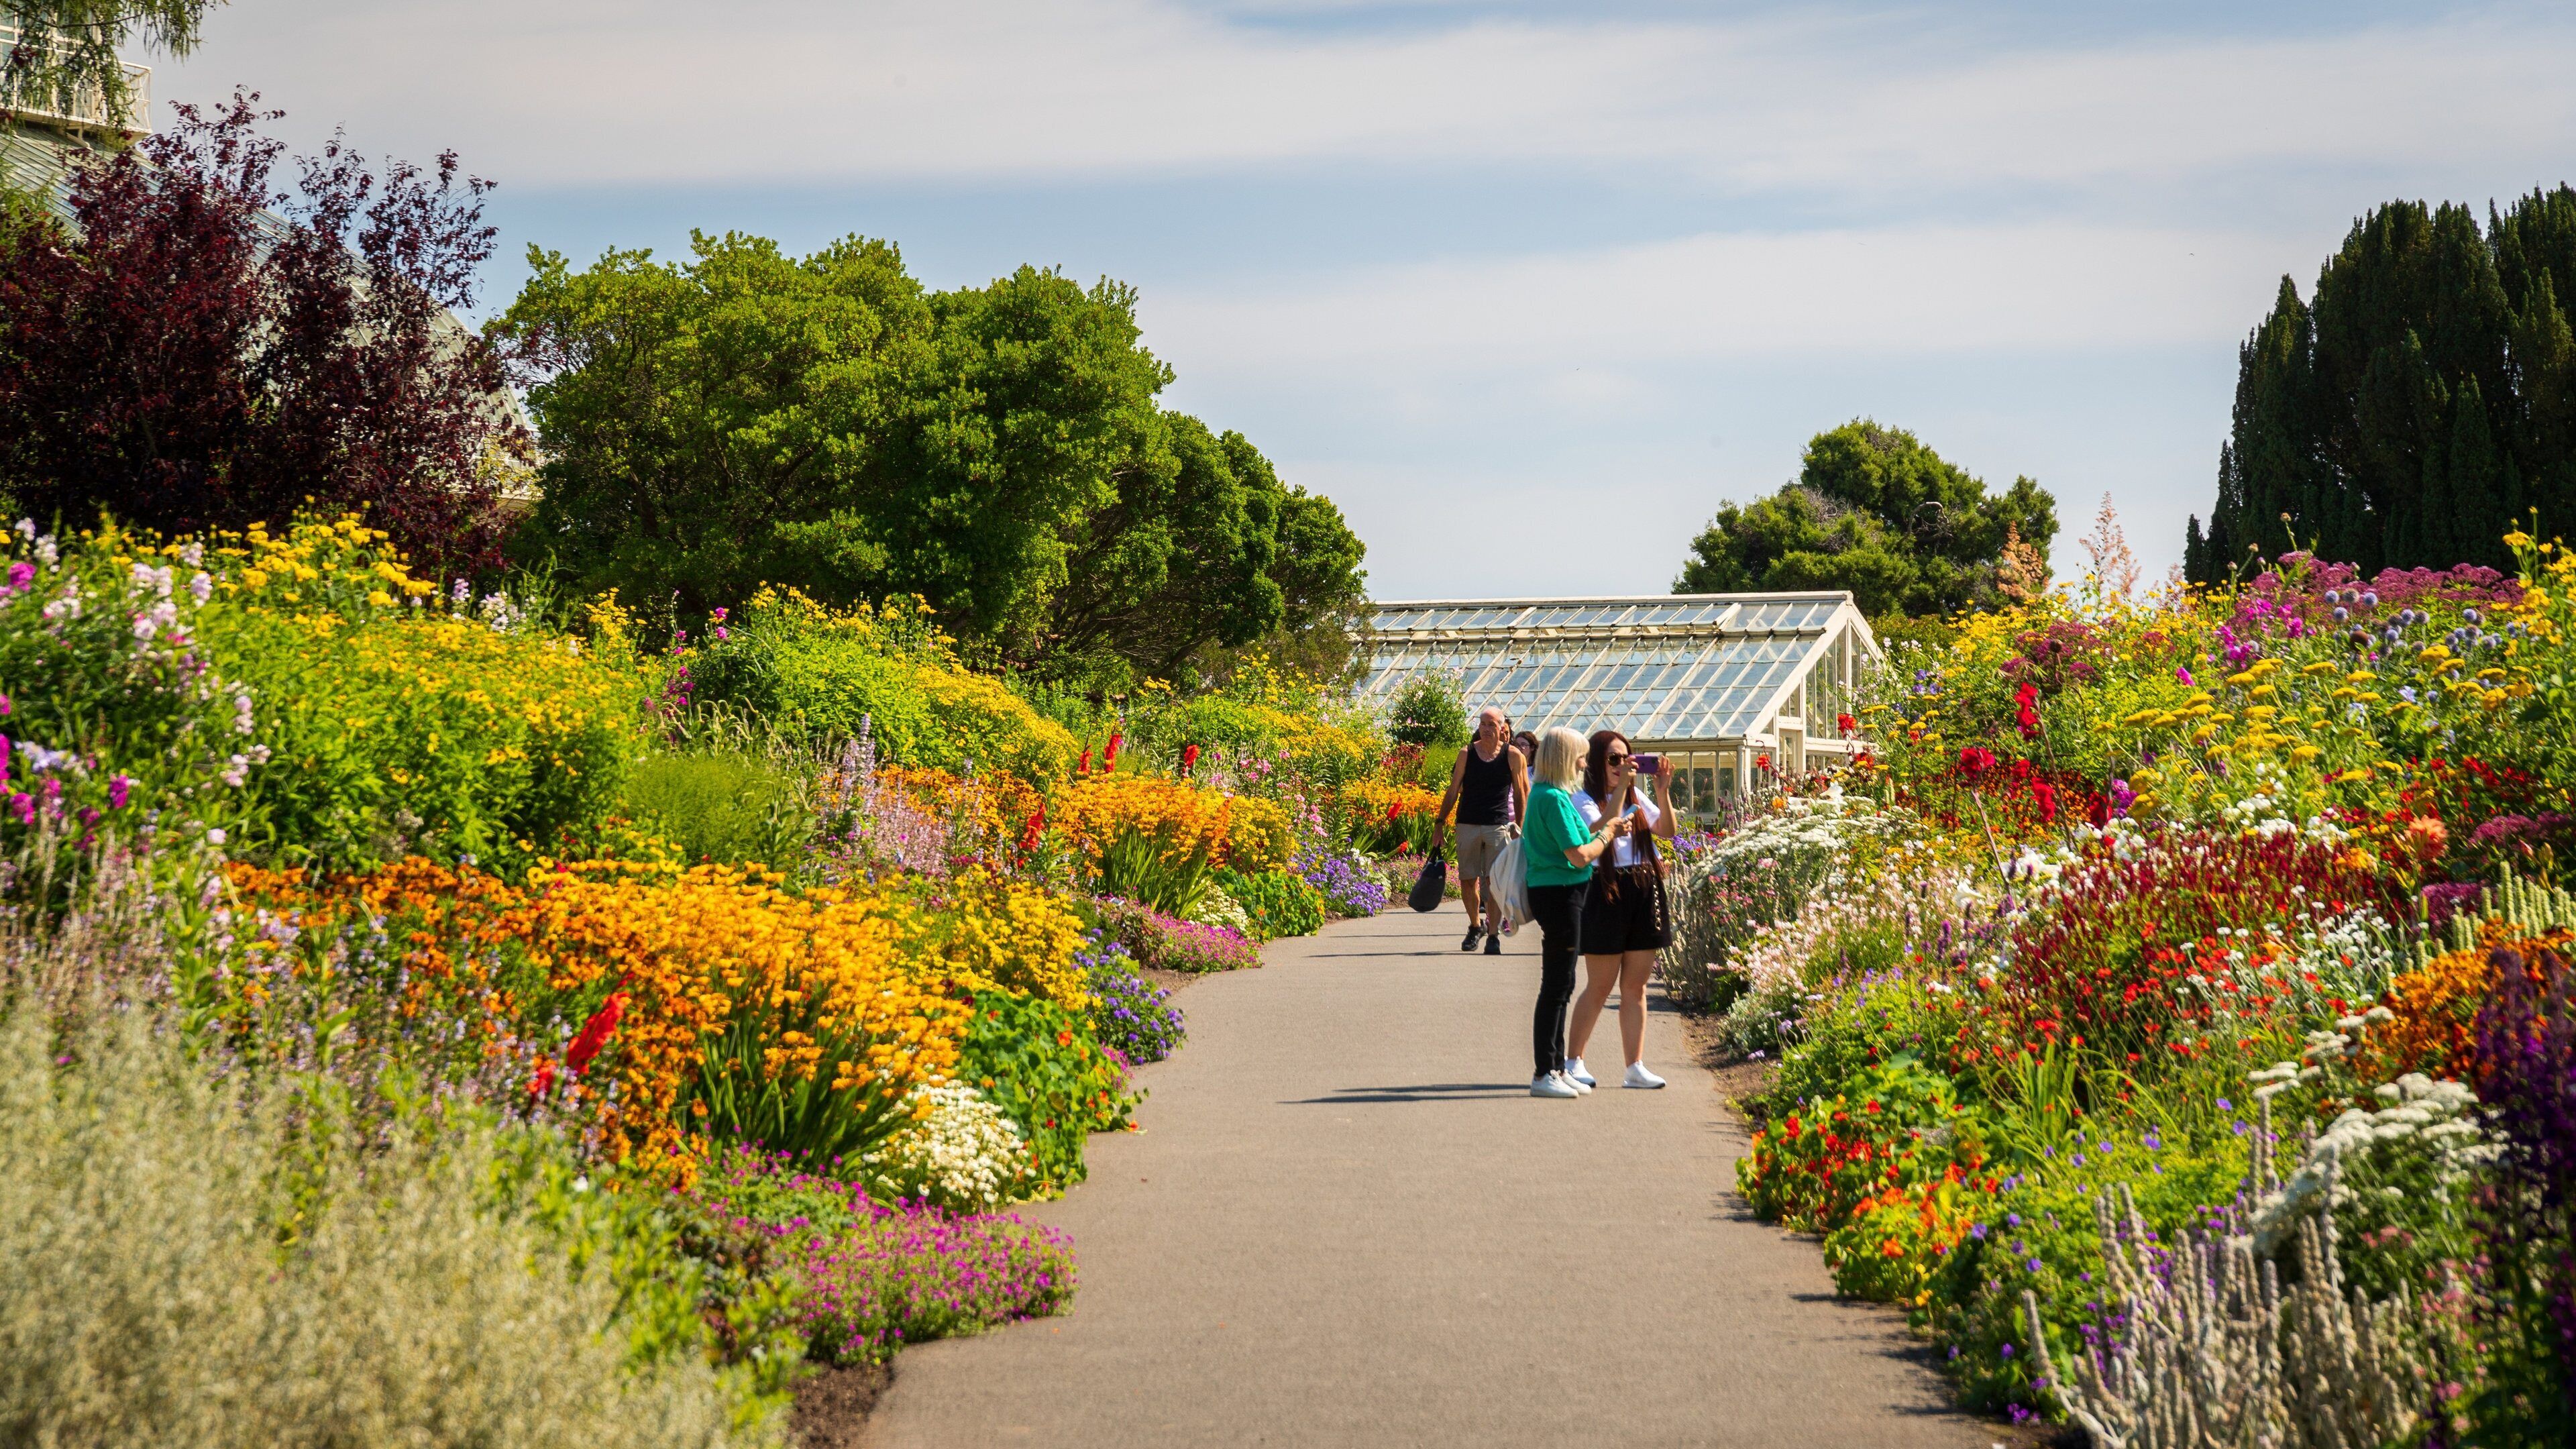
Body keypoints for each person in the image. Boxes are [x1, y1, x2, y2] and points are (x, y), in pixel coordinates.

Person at [1564, 730, 1678, 1090]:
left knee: (1636, 986)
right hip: (1605, 889)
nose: (1621, 766)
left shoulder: (1637, 795)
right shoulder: (1582, 800)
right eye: (1613, 759)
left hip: (1643, 888)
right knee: (1600, 985)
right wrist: (1620, 796)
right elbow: (1596, 830)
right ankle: (1573, 1061)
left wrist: (1661, 790)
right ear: (1597, 762)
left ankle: (1635, 1066)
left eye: (1627, 759)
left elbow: (1667, 831)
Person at [1521, 726, 1625, 1099]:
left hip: (1561, 892)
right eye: (1580, 756)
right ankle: (1543, 1071)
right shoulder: (1551, 797)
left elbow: (1581, 834)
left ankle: (1554, 1066)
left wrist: (1606, 826)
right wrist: (1608, 835)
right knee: (1556, 985)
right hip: (1560, 893)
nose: (1585, 763)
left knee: (1562, 985)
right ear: (1566, 758)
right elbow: (1580, 854)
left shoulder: (1552, 795)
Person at [1434, 707, 1529, 955]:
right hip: (1468, 823)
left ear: (1502, 728)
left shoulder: (1513, 756)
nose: (1486, 729)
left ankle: (1494, 934)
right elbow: (1454, 789)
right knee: (1468, 879)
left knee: (1494, 882)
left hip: (1498, 825)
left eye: (1492, 724)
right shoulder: (1467, 753)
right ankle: (1475, 925)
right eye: (1483, 724)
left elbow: (1521, 794)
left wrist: (1520, 826)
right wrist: (1440, 822)